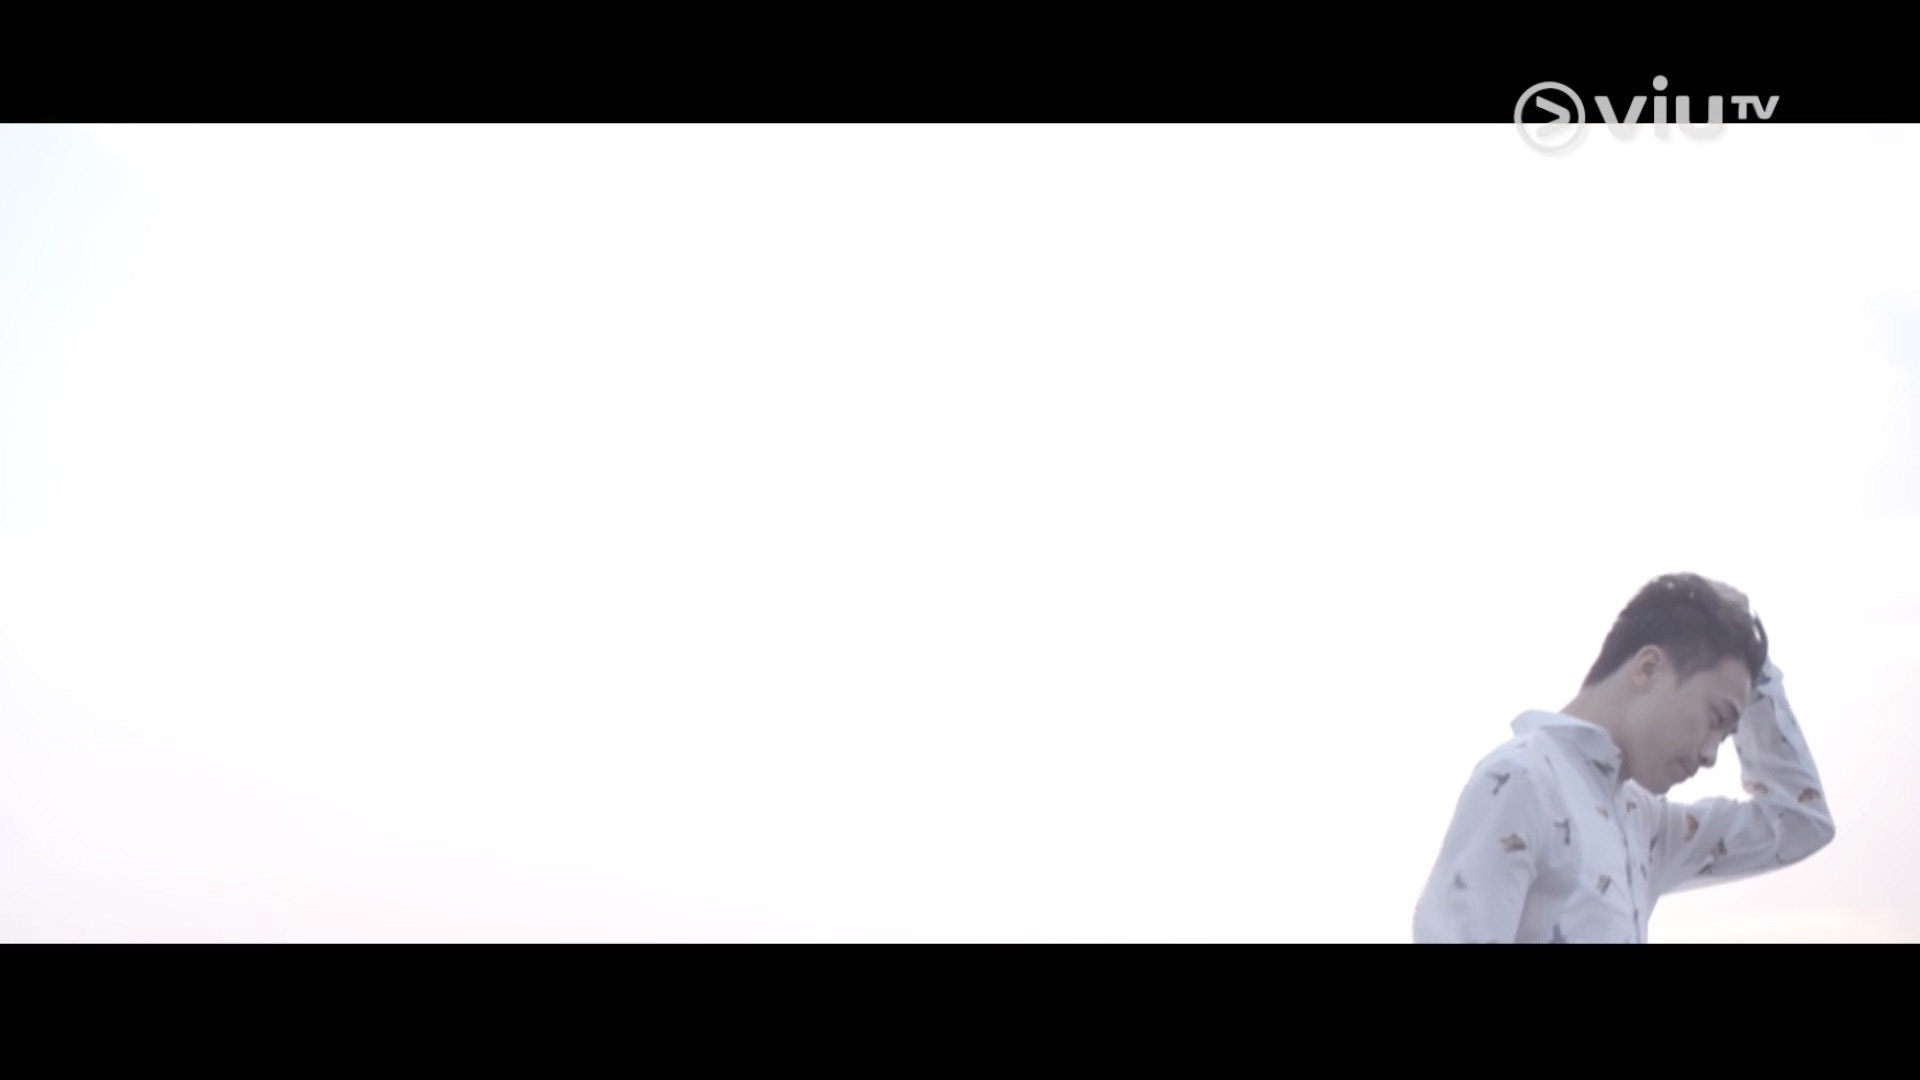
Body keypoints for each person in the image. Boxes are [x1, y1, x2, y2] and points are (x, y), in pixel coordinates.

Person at [1412, 572, 1835, 943]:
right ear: (1648, 668)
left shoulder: (1644, 824)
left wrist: (1758, 673)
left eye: (1726, 737)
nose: (1710, 755)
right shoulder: (1524, 780)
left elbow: (1799, 821)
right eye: (1715, 719)